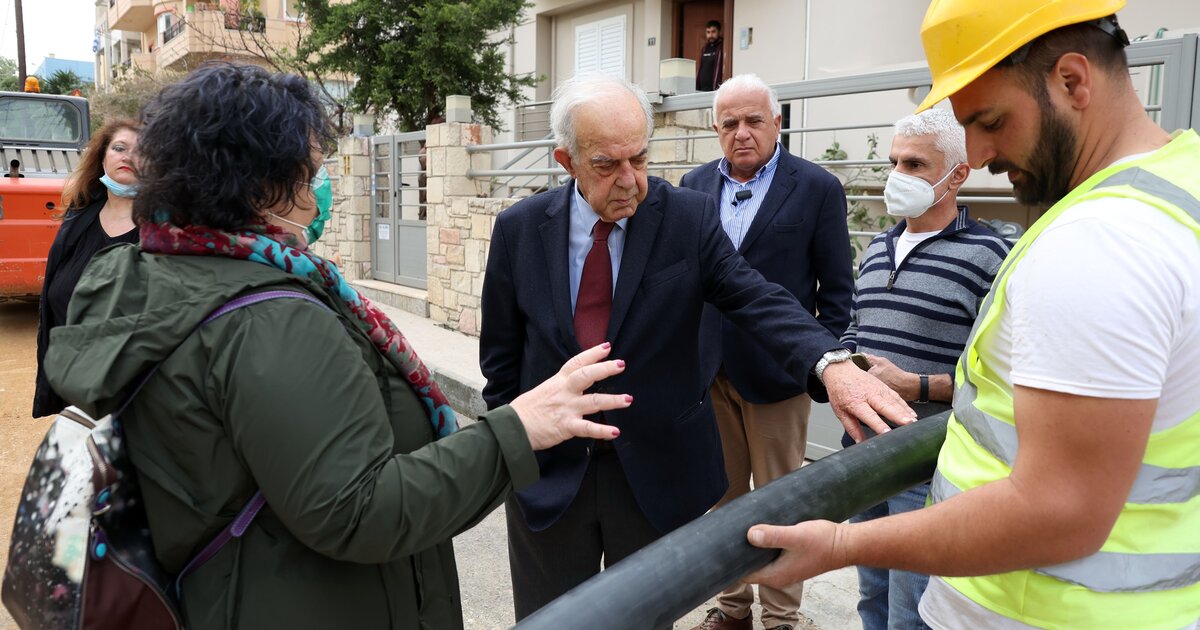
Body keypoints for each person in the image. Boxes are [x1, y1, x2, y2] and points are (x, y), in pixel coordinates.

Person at [42, 63, 634, 630]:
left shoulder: (154, 267)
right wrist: (520, 428)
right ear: (258, 185)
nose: (318, 193)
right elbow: (356, 509)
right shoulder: (272, 319)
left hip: (227, 595)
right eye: (309, 175)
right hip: (313, 603)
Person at [742, 2, 1200, 629]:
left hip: (1036, 609)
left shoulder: (1097, 243)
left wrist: (841, 544)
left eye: (991, 121)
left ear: (1073, 81)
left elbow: (1058, 509)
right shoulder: (1176, 186)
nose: (980, 155)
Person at [479, 71, 915, 622]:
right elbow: (501, 361)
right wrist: (512, 457)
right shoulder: (519, 230)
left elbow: (755, 295)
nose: (630, 181)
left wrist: (831, 364)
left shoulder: (686, 217)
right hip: (548, 479)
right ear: (567, 161)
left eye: (639, 159)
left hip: (652, 478)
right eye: (607, 165)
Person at [679, 74, 854, 630]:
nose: (742, 132)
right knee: (723, 499)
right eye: (729, 123)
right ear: (715, 128)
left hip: (780, 376)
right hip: (709, 374)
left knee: (782, 503)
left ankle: (781, 617)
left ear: (777, 123)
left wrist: (814, 362)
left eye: (754, 120)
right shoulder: (692, 186)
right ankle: (732, 609)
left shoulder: (817, 187)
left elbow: (838, 292)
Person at [840, 108, 1010, 630]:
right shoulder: (878, 247)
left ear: (957, 174)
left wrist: (913, 385)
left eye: (914, 165)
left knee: (911, 611)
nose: (897, 175)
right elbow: (854, 327)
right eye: (894, 162)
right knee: (871, 596)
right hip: (863, 455)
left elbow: (1000, 377)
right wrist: (846, 364)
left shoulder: (990, 255)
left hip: (927, 465)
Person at [32, 118, 141, 418]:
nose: (128, 156)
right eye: (119, 148)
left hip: (130, 398)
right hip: (73, 386)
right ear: (102, 158)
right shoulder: (79, 216)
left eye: (141, 151)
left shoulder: (163, 231)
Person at [696, 20, 724, 92]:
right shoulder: (704, 48)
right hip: (701, 90)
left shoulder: (723, 47)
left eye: (713, 32)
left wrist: (717, 88)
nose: (710, 35)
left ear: (719, 32)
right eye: (708, 32)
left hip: (715, 90)